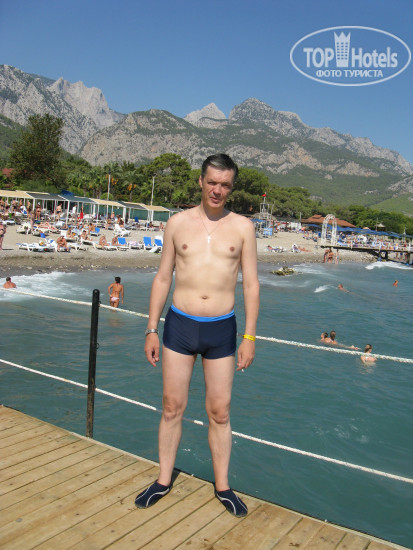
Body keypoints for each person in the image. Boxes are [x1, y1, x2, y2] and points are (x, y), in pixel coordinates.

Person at [135, 154, 259, 517]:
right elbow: (163, 277)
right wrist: (151, 328)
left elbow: (251, 285)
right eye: (212, 182)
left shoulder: (243, 227)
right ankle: (162, 480)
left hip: (222, 328)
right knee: (171, 406)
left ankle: (223, 486)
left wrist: (249, 337)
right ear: (201, 182)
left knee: (219, 412)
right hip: (180, 324)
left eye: (225, 185)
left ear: (231, 188)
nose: (217, 190)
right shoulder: (177, 223)